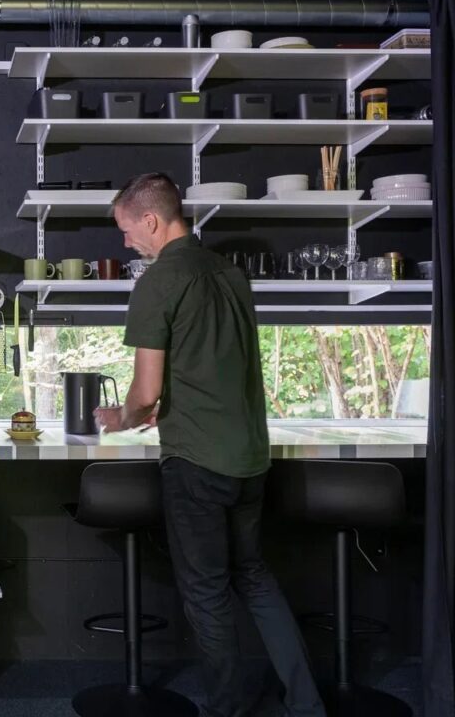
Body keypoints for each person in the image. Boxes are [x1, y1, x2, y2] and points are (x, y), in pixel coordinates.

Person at [93, 172, 325, 717]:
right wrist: (170, 405)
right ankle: (307, 703)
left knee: (207, 595)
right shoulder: (231, 274)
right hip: (248, 458)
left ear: (150, 221)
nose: (127, 242)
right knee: (254, 578)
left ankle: (228, 710)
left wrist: (123, 416)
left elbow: (145, 392)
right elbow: (218, 363)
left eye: (128, 231)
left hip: (198, 464)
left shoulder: (156, 281)